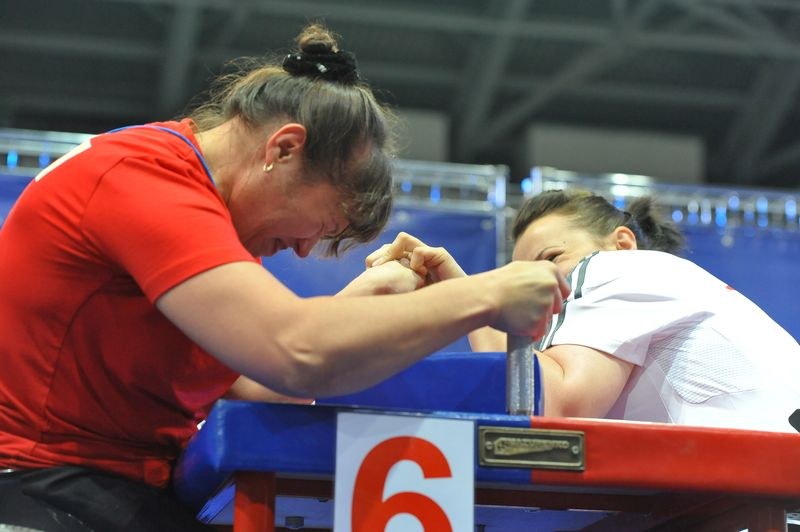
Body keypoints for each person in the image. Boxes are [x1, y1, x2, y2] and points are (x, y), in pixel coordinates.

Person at [0, 24, 569, 531]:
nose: (300, 248)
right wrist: (486, 293)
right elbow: (294, 352)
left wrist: (362, 304)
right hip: (39, 489)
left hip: (104, 490)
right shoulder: (143, 178)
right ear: (284, 148)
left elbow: (267, 384)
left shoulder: (206, 217)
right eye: (316, 228)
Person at [368, 189, 800, 433]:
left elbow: (554, 405)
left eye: (551, 256)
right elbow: (519, 397)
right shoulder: (668, 283)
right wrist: (464, 297)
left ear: (622, 243)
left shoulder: (613, 269)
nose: (535, 281)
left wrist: (464, 300)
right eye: (521, 272)